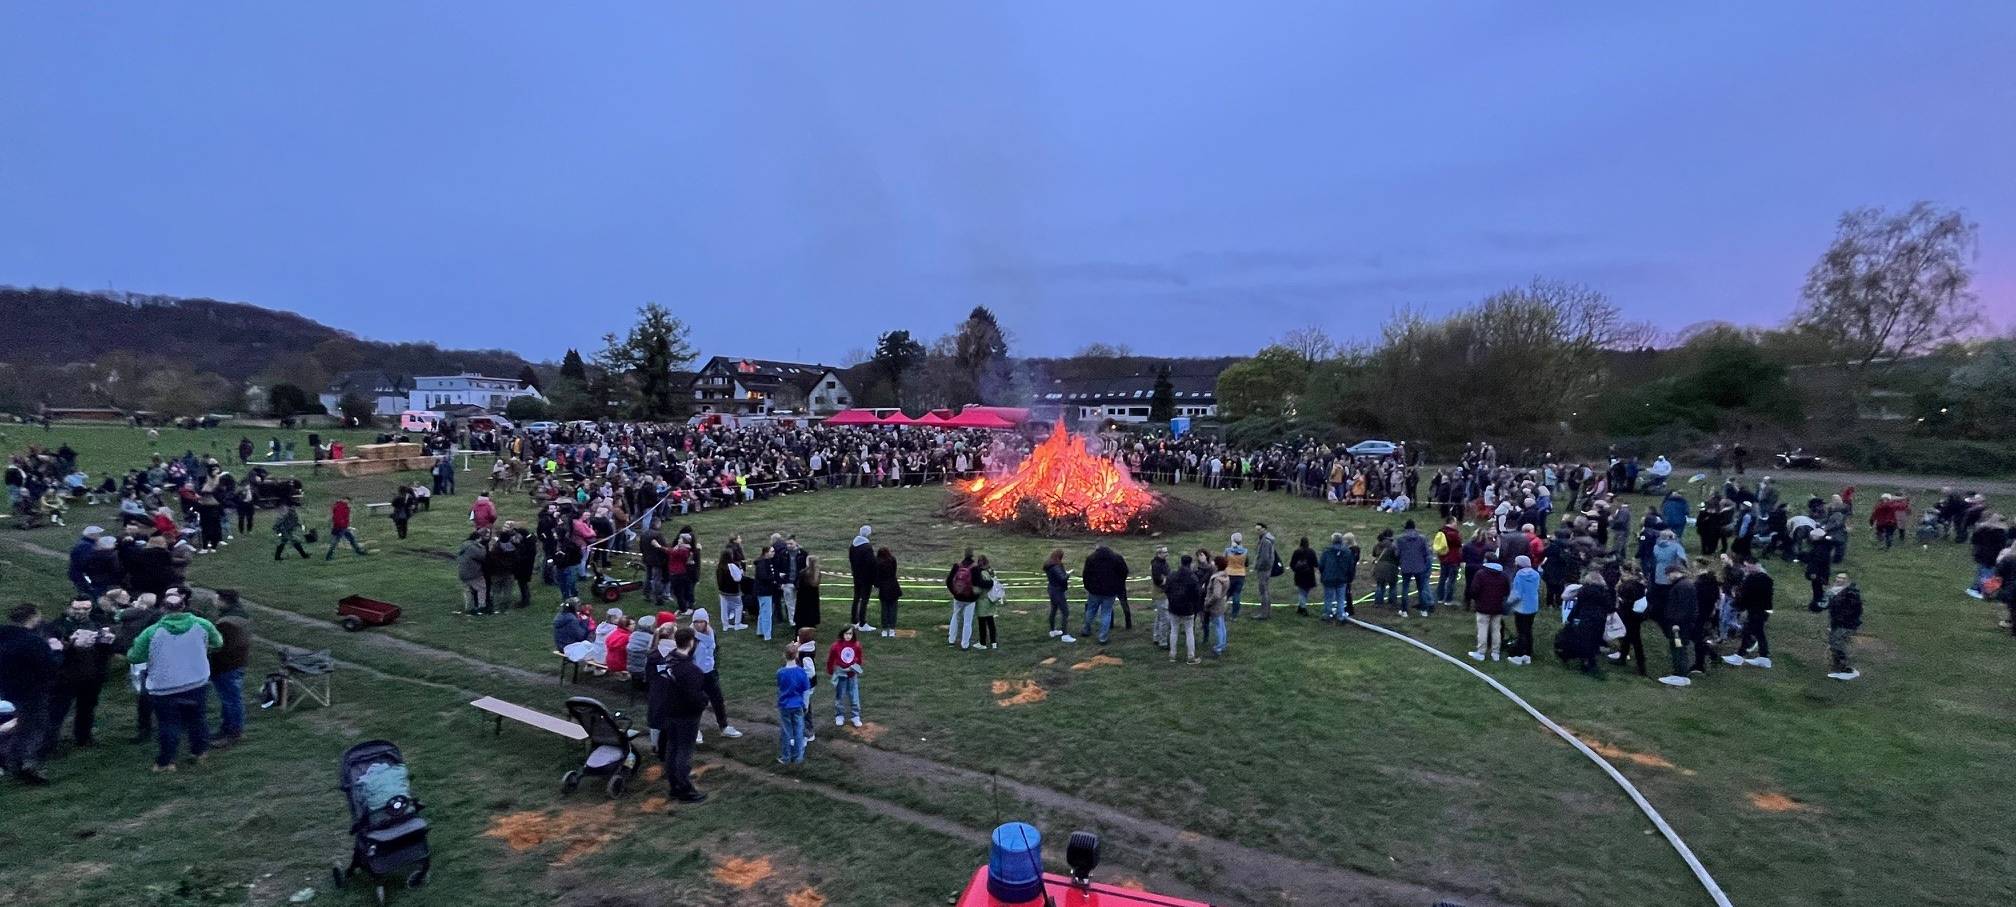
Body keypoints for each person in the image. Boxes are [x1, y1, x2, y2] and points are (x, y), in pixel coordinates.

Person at [127, 593, 222, 772]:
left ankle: (166, 762)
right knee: (198, 720)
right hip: (196, 682)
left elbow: (134, 656)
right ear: (183, 606)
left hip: (164, 687)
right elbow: (218, 643)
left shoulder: (151, 632)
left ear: (163, 609)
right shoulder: (202, 625)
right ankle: (199, 752)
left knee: (169, 724)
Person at [647, 627, 709, 804]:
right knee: (684, 752)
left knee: (672, 749)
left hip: (669, 711)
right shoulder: (690, 670)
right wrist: (703, 701)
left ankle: (674, 785)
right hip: (686, 715)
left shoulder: (667, 661)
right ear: (691, 642)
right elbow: (695, 696)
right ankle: (684, 788)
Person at [1, 603, 60, 783]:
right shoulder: (33, 641)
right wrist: (57, 651)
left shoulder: (3, 637)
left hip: (7, 690)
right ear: (33, 617)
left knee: (21, 727)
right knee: (32, 729)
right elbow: (50, 667)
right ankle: (26, 766)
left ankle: (13, 763)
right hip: (32, 692)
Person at [47, 597, 116, 750]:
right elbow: (51, 651)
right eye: (77, 608)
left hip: (91, 675)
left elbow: (107, 652)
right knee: (57, 712)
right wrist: (70, 643)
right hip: (65, 676)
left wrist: (106, 642)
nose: (81, 612)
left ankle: (84, 738)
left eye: (86, 609)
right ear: (69, 607)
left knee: (87, 709)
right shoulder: (57, 626)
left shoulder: (98, 623)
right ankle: (49, 744)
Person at [688, 610, 744, 741]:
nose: (698, 625)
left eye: (701, 622)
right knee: (697, 703)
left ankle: (724, 727)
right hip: (696, 675)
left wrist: (714, 666)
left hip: (710, 673)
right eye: (695, 622)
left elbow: (715, 650)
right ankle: (694, 729)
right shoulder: (690, 636)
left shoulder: (712, 633)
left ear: (706, 622)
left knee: (718, 701)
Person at [207, 590, 251, 746]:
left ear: (224, 601)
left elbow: (219, 646)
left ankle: (234, 732)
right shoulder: (241, 615)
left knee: (231, 700)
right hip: (238, 663)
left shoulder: (226, 623)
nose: (214, 600)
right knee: (231, 699)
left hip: (227, 666)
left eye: (216, 598)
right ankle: (227, 728)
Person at [1724, 556, 1775, 669]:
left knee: (1750, 632)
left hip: (1757, 610)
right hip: (1760, 609)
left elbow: (1748, 595)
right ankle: (1763, 657)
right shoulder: (1763, 578)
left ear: (1754, 565)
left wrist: (1739, 600)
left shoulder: (1757, 579)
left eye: (1747, 566)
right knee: (1756, 633)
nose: (1745, 569)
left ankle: (1740, 656)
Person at [1658, 564, 1700, 687]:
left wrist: (1675, 623)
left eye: (1668, 574)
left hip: (1679, 625)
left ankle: (1681, 675)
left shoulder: (1682, 586)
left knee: (1678, 649)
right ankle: (1680, 673)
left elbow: (1682, 608)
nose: (1667, 577)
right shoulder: (1686, 584)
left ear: (1675, 572)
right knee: (1678, 648)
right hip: (1683, 623)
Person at [1080, 544, 1129, 645]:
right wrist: (1118, 585)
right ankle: (1103, 637)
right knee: (1106, 613)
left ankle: (1086, 630)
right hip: (1110, 591)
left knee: (1091, 610)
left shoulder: (1091, 559)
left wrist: (1088, 586)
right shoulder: (1117, 558)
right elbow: (1124, 572)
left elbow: (1085, 574)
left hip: (1094, 591)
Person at [1820, 573, 1863, 681]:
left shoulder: (1850, 594)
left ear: (1847, 581)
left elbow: (1852, 611)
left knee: (1836, 643)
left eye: (1843, 578)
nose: (1840, 580)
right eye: (1838, 577)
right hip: (1838, 623)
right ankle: (1838, 668)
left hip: (1845, 624)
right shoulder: (1833, 591)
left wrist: (1840, 619)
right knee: (1834, 643)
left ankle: (1844, 669)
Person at [775, 643, 811, 765]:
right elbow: (806, 691)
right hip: (798, 705)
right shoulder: (802, 672)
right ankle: (798, 757)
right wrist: (805, 705)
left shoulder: (780, 672)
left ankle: (785, 757)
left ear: (784, 656)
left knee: (786, 731)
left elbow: (780, 687)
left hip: (785, 705)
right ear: (797, 655)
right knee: (799, 730)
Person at [1165, 555, 1203, 664]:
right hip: (1188, 608)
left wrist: (1171, 600)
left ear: (1180, 562)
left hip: (1174, 607)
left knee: (1174, 630)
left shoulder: (1172, 575)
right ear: (1190, 564)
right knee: (1189, 632)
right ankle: (1191, 657)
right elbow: (1197, 594)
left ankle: (1172, 655)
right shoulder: (1193, 578)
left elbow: (1166, 589)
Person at [1469, 560, 1509, 662]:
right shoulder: (1504, 576)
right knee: (1496, 630)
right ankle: (1496, 653)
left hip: (1483, 606)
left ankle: (1481, 652)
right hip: (1497, 607)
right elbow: (1507, 591)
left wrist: (1476, 599)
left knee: (1482, 629)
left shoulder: (1481, 574)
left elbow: (1474, 590)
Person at [1396, 520, 1437, 616]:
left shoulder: (1400, 539)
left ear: (1405, 528)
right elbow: (1426, 553)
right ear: (1415, 528)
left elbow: (1397, 553)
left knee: (1405, 589)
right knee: (1421, 588)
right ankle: (1423, 610)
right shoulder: (1422, 539)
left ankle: (1404, 611)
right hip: (1419, 566)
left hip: (1406, 567)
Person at [827, 625, 864, 727]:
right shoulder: (835, 646)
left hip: (852, 674)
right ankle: (839, 715)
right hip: (841, 674)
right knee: (840, 695)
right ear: (842, 634)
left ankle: (855, 716)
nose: (848, 636)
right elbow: (831, 659)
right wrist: (831, 671)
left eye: (850, 634)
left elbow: (859, 659)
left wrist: (854, 667)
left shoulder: (857, 645)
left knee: (854, 695)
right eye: (846, 633)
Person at [1506, 555, 1541, 665]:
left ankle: (1519, 655)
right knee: (1528, 630)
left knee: (1521, 632)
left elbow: (1517, 593)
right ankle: (1528, 654)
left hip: (1521, 607)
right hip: (1533, 606)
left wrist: (1508, 603)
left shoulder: (1519, 575)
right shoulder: (1536, 574)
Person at [1318, 533, 1358, 622]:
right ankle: (1340, 616)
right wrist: (1350, 578)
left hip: (1328, 578)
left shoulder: (1326, 552)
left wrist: (1323, 574)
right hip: (1342, 579)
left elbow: (1321, 565)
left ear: (1332, 541)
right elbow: (1351, 567)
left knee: (1328, 597)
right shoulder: (1347, 552)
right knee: (1341, 598)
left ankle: (1327, 614)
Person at [946, 550, 980, 650]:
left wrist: (954, 592)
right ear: (972, 556)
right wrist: (975, 596)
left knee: (955, 616)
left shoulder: (957, 566)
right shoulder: (975, 568)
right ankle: (965, 644)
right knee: (967, 621)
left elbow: (948, 581)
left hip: (958, 597)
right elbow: (978, 583)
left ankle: (951, 640)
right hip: (970, 599)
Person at [847, 526, 877, 632]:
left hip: (856, 575)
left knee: (856, 597)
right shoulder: (867, 547)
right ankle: (862, 623)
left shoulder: (853, 545)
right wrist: (874, 579)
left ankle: (854, 620)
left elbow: (851, 560)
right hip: (866, 577)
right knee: (864, 599)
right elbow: (871, 563)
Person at [1044, 549, 1074, 641]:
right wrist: (1068, 574)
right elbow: (1062, 578)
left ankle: (1052, 631)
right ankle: (1065, 635)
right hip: (1058, 591)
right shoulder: (1056, 566)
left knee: (1054, 610)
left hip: (1052, 589)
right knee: (1065, 612)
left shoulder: (1049, 564)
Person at [1204, 555, 1232, 657]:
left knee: (1217, 627)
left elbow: (1216, 594)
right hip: (1222, 604)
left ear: (1217, 565)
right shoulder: (1225, 576)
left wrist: (1208, 603)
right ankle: (1223, 644)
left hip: (1215, 605)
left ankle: (1218, 647)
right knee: (1222, 625)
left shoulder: (1217, 579)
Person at [456, 532, 489, 616]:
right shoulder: (474, 547)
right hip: (473, 573)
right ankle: (482, 606)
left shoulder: (464, 544)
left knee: (467, 590)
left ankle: (469, 607)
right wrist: (483, 547)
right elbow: (483, 556)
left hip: (462, 572)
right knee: (482, 588)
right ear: (477, 538)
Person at [753, 545, 781, 641]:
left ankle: (760, 630)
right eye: (771, 551)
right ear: (766, 553)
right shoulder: (763, 564)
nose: (773, 553)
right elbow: (764, 577)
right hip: (764, 591)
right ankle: (767, 635)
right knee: (767, 613)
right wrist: (774, 579)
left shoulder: (764, 562)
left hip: (762, 591)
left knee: (763, 611)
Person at [1249, 524, 1278, 619]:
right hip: (1267, 568)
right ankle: (1266, 612)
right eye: (1256, 529)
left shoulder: (1265, 541)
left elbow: (1265, 558)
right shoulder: (1266, 539)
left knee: (1263, 591)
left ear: (1264, 529)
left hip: (1263, 569)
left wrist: (1258, 566)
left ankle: (1264, 613)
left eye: (1259, 529)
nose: (1257, 531)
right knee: (1265, 590)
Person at [874, 547, 902, 638]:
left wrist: (876, 585)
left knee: (885, 610)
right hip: (894, 587)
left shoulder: (878, 563)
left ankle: (885, 630)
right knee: (893, 609)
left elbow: (877, 577)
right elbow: (894, 572)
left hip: (884, 589)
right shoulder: (893, 560)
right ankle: (892, 629)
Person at [715, 551, 745, 631]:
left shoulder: (719, 567)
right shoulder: (732, 566)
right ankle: (737, 624)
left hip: (722, 592)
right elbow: (738, 578)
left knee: (724, 608)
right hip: (733, 591)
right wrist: (741, 571)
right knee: (739, 606)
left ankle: (725, 625)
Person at [1289, 538, 1318, 617]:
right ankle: (1302, 607)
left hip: (1299, 575)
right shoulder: (1312, 552)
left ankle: (1302, 607)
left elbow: (1292, 564)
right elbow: (1316, 564)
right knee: (1305, 592)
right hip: (1310, 575)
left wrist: (1296, 570)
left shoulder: (1296, 552)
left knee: (1302, 592)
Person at [1222, 534, 1248, 618]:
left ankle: (1221, 611)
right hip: (1240, 574)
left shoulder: (1227, 550)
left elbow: (1223, 561)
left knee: (1226, 593)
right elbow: (1247, 563)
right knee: (1237, 594)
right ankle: (1234, 614)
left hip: (1229, 574)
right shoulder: (1245, 551)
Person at [796, 555, 824, 631]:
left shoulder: (803, 573)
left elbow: (798, 585)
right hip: (813, 597)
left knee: (803, 613)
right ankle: (812, 625)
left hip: (803, 597)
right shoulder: (818, 573)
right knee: (812, 612)